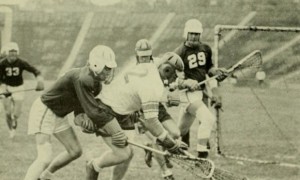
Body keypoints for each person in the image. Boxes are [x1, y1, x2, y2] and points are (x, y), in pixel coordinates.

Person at [76, 49, 187, 180]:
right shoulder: (153, 86)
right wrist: (170, 144)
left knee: (127, 155)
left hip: (122, 111)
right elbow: (151, 122)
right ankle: (93, 165)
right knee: (123, 154)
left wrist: (178, 88)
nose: (173, 81)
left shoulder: (151, 64)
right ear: (167, 70)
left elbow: (165, 63)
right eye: (174, 76)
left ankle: (102, 171)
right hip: (108, 110)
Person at [24, 45, 121, 180]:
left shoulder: (95, 84)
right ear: (96, 64)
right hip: (45, 109)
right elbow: (93, 111)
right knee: (44, 157)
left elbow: (80, 110)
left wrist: (83, 121)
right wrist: (112, 129)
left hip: (59, 114)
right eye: (107, 68)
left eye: (110, 69)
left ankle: (46, 176)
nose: (109, 72)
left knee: (75, 151)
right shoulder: (84, 78)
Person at [173, 19, 227, 158]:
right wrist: (186, 82)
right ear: (186, 33)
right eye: (191, 34)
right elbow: (173, 78)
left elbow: (209, 68)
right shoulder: (179, 53)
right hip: (187, 94)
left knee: (178, 132)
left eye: (197, 34)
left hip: (199, 93)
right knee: (208, 119)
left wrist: (216, 72)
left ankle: (155, 145)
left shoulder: (206, 49)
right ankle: (202, 155)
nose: (194, 37)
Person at [0, 42, 44, 139]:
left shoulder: (21, 62)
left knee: (16, 114)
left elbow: (36, 71)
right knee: (7, 112)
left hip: (19, 88)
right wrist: (3, 88)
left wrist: (39, 81)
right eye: (11, 52)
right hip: (6, 87)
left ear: (17, 53)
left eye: (15, 52)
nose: (13, 55)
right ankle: (11, 130)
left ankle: (14, 123)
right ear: (7, 53)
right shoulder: (2, 63)